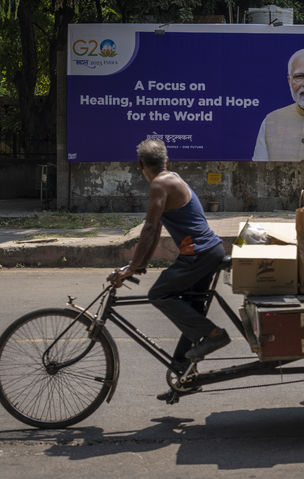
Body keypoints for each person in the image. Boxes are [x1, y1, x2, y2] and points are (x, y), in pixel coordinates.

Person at [107, 139, 230, 398]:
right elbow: (155, 230)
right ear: (166, 161)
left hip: (199, 253)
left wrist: (132, 268)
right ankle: (184, 376)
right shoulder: (171, 178)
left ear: (140, 164)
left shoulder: (159, 185)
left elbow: (150, 228)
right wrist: (137, 265)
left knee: (159, 294)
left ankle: (214, 335)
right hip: (208, 251)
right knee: (192, 309)